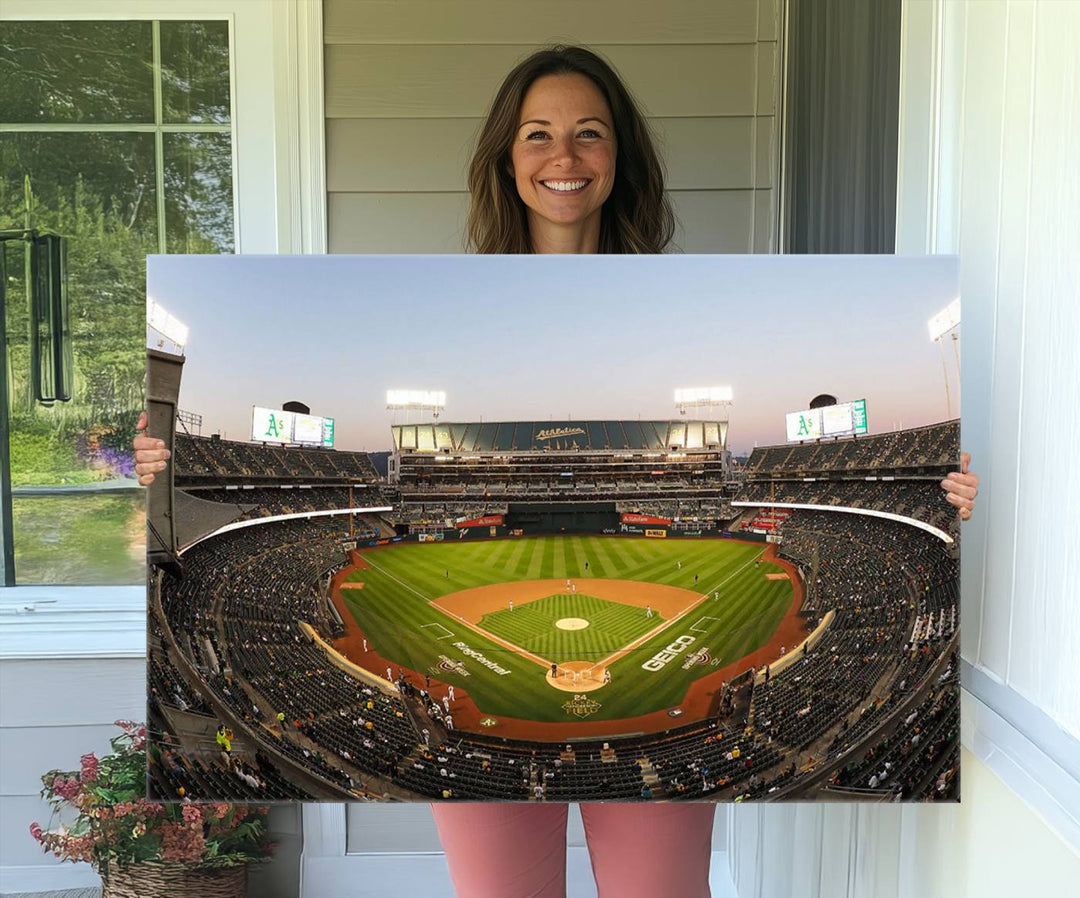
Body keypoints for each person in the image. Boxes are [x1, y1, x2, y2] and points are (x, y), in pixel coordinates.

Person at [133, 43, 981, 898]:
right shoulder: (455, 304)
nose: (563, 158)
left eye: (589, 134)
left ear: (620, 158)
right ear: (507, 158)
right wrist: (153, 469)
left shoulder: (676, 301)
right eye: (537, 135)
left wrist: (947, 491)